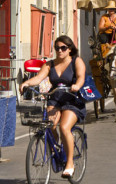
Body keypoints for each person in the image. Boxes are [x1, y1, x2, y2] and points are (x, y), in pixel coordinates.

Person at [20, 35, 86, 178]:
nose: (60, 51)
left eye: (63, 48)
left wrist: (77, 85)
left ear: (69, 49)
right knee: (51, 126)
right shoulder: (49, 64)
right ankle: (56, 150)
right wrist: (27, 83)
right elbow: (38, 78)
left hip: (72, 99)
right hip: (55, 99)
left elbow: (81, 77)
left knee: (64, 127)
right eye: (57, 48)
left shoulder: (76, 61)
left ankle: (70, 163)